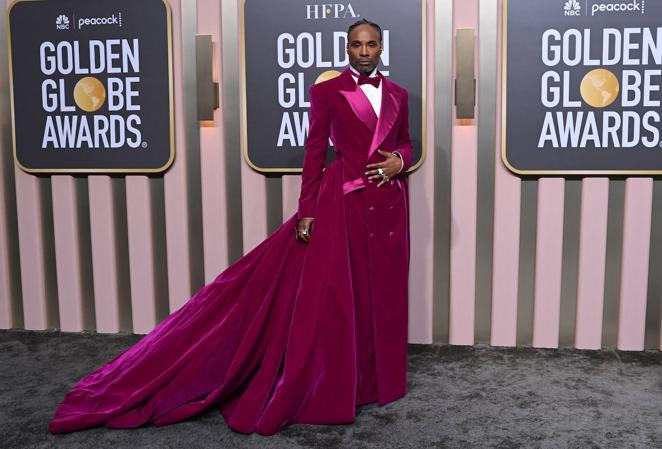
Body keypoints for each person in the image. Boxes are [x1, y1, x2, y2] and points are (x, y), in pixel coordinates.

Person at [48, 18, 413, 436]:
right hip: (342, 203)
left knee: (379, 295)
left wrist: (399, 161)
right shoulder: (327, 91)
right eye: (356, 45)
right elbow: (314, 151)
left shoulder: (399, 94)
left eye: (371, 44)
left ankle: (376, 382)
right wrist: (306, 210)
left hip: (388, 207)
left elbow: (405, 141)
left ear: (381, 47)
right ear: (347, 49)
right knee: (338, 298)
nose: (364, 51)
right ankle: (342, 383)